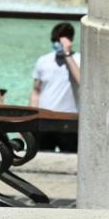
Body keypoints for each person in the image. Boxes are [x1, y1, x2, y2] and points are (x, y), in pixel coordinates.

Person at [30, 22, 81, 152]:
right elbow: (36, 91)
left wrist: (67, 54)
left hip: (69, 120)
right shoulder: (43, 60)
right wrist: (31, 118)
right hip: (44, 119)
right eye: (55, 40)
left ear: (70, 40)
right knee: (41, 156)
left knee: (71, 158)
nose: (56, 44)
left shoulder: (79, 59)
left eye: (60, 40)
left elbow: (81, 81)